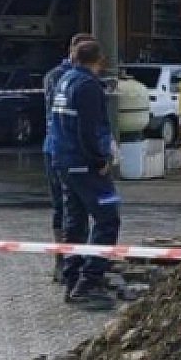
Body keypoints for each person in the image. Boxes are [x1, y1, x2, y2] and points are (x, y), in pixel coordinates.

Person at [50, 38, 120, 309]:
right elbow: (88, 130)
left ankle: (71, 278)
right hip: (84, 164)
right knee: (108, 219)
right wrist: (100, 159)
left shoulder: (64, 80)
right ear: (99, 61)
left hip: (64, 162)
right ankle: (89, 282)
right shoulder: (89, 86)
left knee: (75, 221)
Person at [42, 33, 93, 282]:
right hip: (66, 152)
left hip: (56, 149)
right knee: (70, 208)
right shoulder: (68, 78)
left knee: (67, 207)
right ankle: (67, 262)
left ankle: (69, 260)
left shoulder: (57, 76)